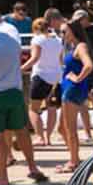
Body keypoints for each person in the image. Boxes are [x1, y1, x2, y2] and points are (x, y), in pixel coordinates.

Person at [0, 4, 47, 185]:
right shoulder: (11, 37)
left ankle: (2, 175)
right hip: (14, 90)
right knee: (22, 131)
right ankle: (32, 167)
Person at [22, 17, 64, 147]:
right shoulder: (58, 40)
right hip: (57, 77)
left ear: (35, 29)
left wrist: (21, 68)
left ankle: (40, 137)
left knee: (33, 109)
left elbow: (34, 58)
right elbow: (60, 59)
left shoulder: (37, 40)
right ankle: (48, 137)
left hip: (41, 76)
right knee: (52, 108)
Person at [58, 19, 93, 173]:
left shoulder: (80, 46)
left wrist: (78, 78)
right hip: (69, 88)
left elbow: (89, 65)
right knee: (62, 128)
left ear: (73, 31)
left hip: (72, 90)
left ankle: (73, 162)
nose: (62, 34)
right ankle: (74, 157)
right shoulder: (71, 47)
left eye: (64, 31)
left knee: (70, 129)